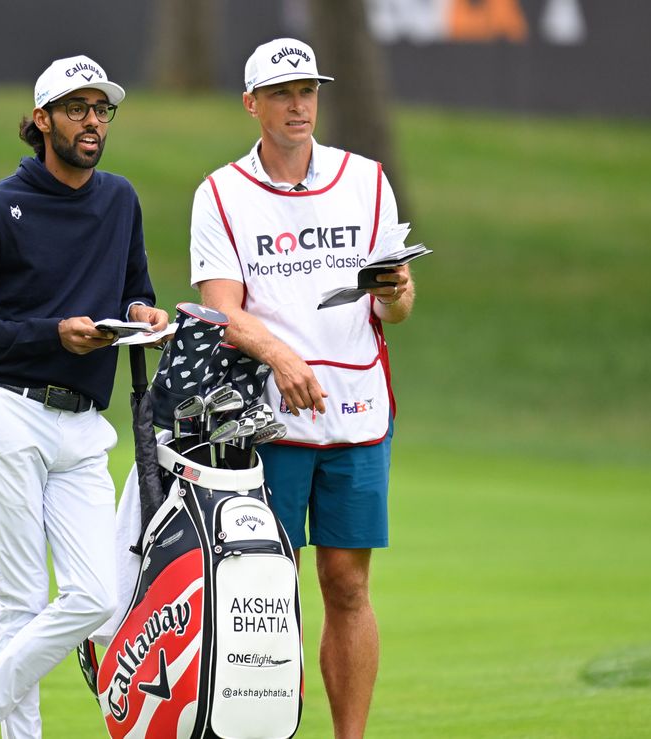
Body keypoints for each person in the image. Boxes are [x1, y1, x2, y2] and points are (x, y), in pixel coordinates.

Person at [0, 54, 169, 739]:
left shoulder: (119, 199)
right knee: (22, 599)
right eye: (78, 108)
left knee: (95, 595)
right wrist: (54, 334)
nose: (93, 122)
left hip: (85, 425)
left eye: (102, 110)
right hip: (9, 411)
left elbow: (133, 287)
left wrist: (142, 314)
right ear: (41, 120)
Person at [188, 38, 416, 739]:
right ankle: (269, 729)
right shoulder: (222, 192)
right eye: (283, 93)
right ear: (252, 103)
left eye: (308, 90)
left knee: (347, 586)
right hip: (270, 424)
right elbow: (221, 309)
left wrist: (401, 292)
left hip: (356, 415)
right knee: (267, 593)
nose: (298, 104)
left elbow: (394, 309)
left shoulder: (366, 179)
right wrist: (281, 356)